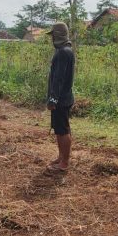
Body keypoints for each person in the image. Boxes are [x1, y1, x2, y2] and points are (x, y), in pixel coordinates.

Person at [46, 22, 75, 173]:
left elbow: (59, 79)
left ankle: (64, 162)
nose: (52, 39)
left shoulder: (63, 52)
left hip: (61, 99)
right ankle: (61, 156)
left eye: (53, 35)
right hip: (63, 98)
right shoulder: (65, 50)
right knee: (59, 129)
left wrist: (53, 99)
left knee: (63, 130)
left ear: (58, 36)